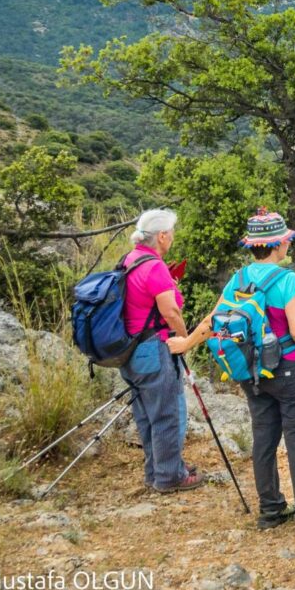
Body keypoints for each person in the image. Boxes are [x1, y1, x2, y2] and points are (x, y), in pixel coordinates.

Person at [169, 209, 295, 535]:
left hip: (251, 371)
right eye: (286, 241)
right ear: (279, 245)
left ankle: (270, 510)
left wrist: (185, 343)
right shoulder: (288, 280)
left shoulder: (238, 279)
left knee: (264, 439)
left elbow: (212, 320)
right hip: (288, 369)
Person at [121, 209, 199, 492]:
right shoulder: (155, 267)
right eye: (172, 234)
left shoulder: (129, 260)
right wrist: (185, 339)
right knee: (167, 413)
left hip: (129, 350)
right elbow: (171, 312)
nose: (173, 238)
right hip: (154, 347)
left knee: (146, 414)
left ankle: (157, 470)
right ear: (162, 236)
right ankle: (169, 477)